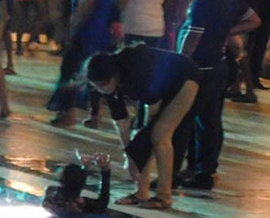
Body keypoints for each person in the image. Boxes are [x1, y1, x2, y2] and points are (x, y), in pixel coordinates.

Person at [177, 0, 260, 190]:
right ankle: (206, 170)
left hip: (199, 67)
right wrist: (227, 31)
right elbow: (254, 20)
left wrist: (180, 62)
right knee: (211, 120)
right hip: (219, 66)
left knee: (185, 118)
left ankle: (182, 170)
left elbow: (193, 36)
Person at [86, 46, 200, 211]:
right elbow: (122, 123)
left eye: (104, 85)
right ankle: (141, 192)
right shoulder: (108, 84)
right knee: (140, 142)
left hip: (185, 78)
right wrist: (129, 156)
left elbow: (151, 114)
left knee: (159, 135)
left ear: (114, 75)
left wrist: (136, 154)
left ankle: (164, 196)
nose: (102, 89)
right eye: (97, 86)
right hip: (162, 86)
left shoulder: (137, 73)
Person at [48, 0, 117, 127]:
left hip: (87, 33)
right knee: (92, 74)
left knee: (70, 70)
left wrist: (72, 30)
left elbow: (83, 10)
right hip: (101, 34)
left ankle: (66, 112)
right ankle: (94, 114)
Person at [42, 152, 111, 216]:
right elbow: (103, 202)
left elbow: (103, 203)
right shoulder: (76, 205)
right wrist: (105, 171)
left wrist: (104, 170)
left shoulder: (51, 195)